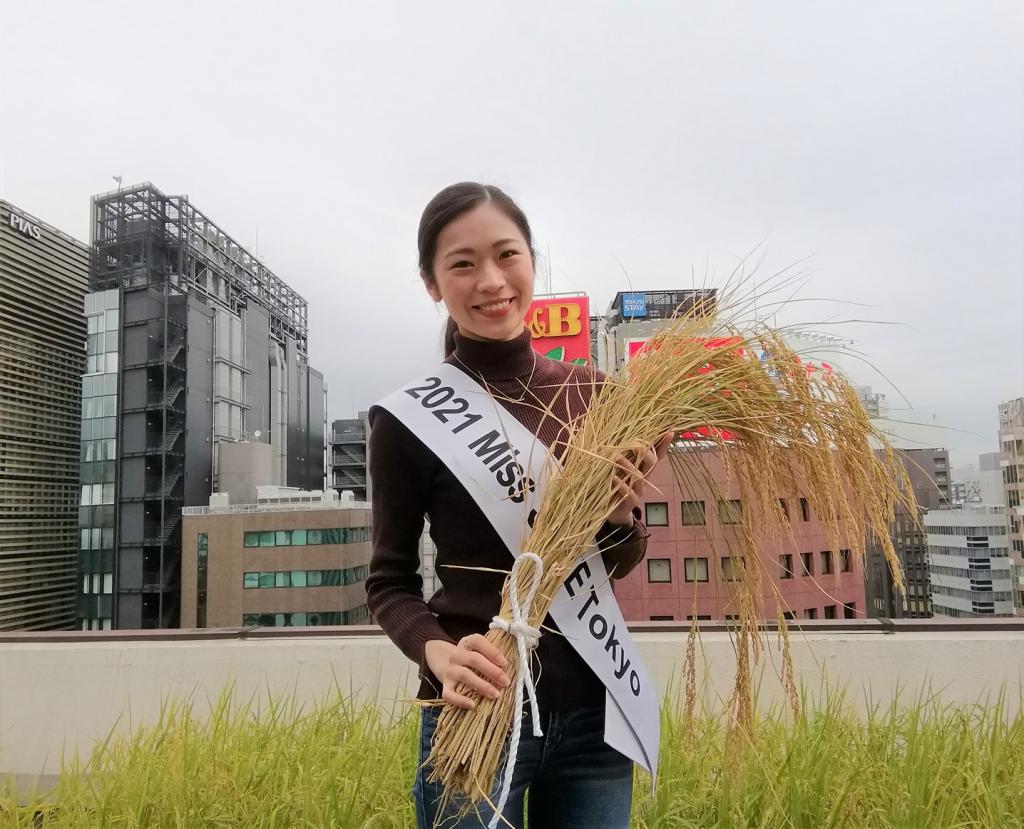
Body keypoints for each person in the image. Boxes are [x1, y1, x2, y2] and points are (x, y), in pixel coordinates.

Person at [366, 182, 668, 829]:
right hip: (476, 704)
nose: (492, 279)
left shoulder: (599, 394)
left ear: (532, 258)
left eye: (507, 254)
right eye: (463, 263)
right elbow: (389, 581)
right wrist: (438, 652)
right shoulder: (408, 418)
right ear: (431, 283)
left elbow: (612, 561)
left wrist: (619, 514)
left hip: (594, 710)